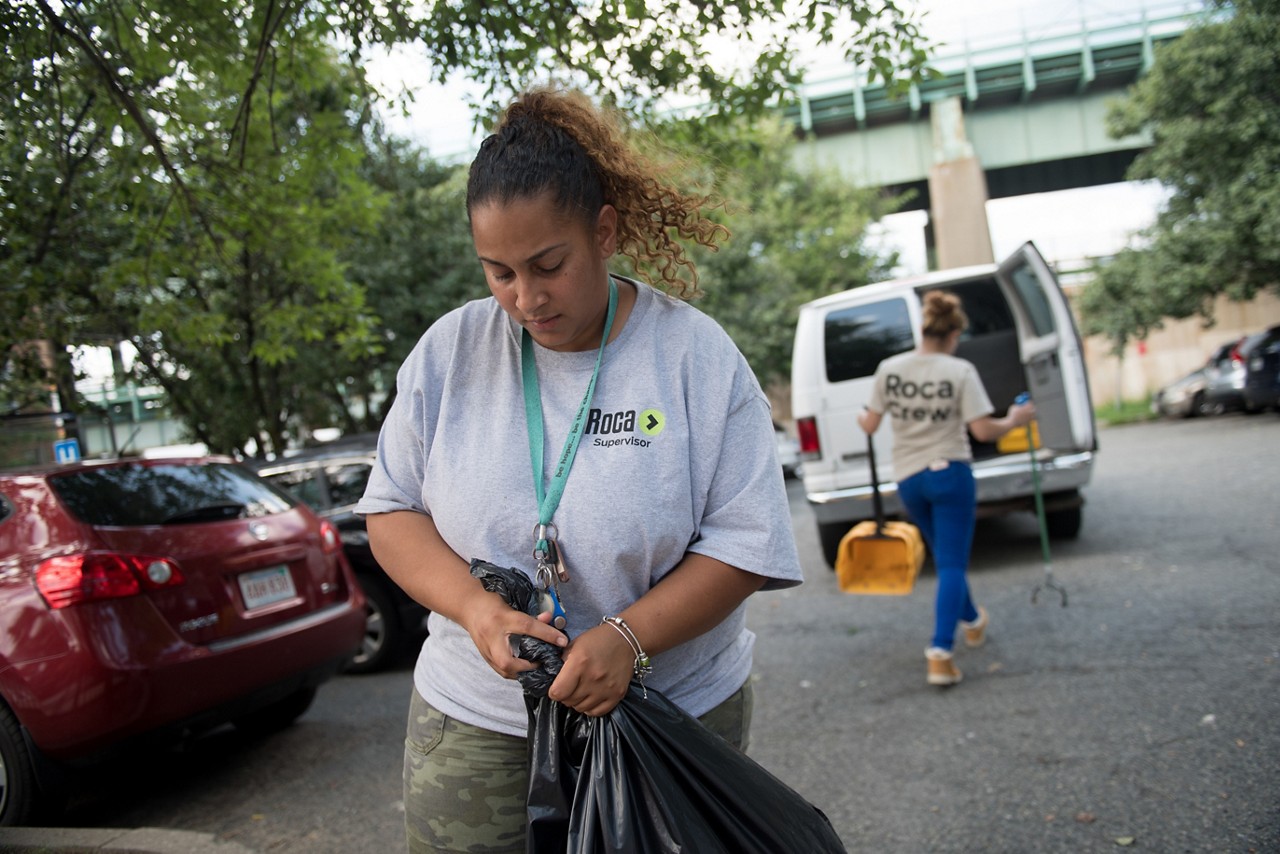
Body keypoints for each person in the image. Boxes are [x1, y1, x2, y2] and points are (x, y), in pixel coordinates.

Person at [355, 86, 802, 854]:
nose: (526, 299)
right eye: (498, 273)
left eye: (547, 265)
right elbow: (392, 511)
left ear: (602, 232)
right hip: (480, 717)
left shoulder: (693, 356)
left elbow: (746, 542)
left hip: (672, 715)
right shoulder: (448, 352)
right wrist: (477, 611)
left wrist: (629, 640)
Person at [856, 290, 1035, 688]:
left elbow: (869, 425)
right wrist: (1015, 419)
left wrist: (860, 414)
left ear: (922, 329)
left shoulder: (889, 368)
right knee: (952, 563)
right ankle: (940, 652)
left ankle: (972, 620)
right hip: (950, 474)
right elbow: (983, 430)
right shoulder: (960, 371)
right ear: (954, 333)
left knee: (945, 555)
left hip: (909, 479)